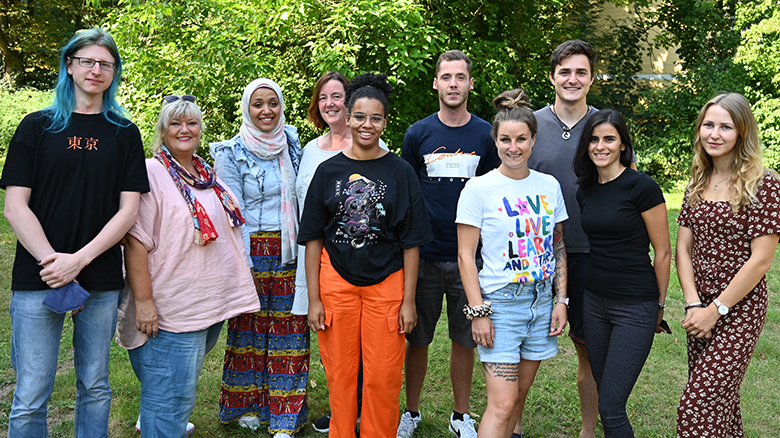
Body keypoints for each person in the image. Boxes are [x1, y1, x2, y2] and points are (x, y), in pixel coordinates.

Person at [0, 28, 149, 437]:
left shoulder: (124, 132)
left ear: (114, 72)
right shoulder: (37, 127)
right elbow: (15, 206)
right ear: (70, 65)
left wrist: (79, 261)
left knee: (95, 386)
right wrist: (55, 263)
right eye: (87, 61)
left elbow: (128, 210)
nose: (96, 70)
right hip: (39, 276)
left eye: (106, 63)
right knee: (30, 393)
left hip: (99, 278)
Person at [116, 95, 261, 438]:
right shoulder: (152, 172)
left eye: (191, 123)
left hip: (206, 304)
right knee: (170, 398)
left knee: (173, 389)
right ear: (162, 131)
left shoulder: (204, 172)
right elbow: (136, 242)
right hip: (171, 307)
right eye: (175, 123)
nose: (185, 129)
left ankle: (158, 420)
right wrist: (145, 303)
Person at [299, 72, 433, 438]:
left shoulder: (401, 171)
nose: (366, 125)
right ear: (348, 116)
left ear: (385, 122)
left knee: (383, 377)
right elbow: (313, 239)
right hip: (336, 283)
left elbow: (411, 242)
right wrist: (314, 299)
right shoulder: (328, 171)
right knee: (341, 376)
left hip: (387, 286)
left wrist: (408, 302)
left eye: (375, 118)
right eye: (359, 116)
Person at [398, 49, 499, 438]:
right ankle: (411, 412)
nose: (453, 84)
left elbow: (493, 190)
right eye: (447, 77)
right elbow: (407, 193)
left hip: (469, 260)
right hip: (423, 256)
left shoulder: (485, 134)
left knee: (465, 338)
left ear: (470, 83)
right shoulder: (418, 134)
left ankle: (461, 415)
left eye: (461, 77)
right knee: (417, 339)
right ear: (436, 83)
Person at [457, 89, 568, 438]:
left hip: (540, 302)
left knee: (517, 398)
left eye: (521, 139)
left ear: (534, 140)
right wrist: (479, 311)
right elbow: (464, 254)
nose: (514, 147)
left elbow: (558, 246)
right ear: (495, 141)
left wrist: (561, 300)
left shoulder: (549, 186)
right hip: (500, 304)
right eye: (506, 139)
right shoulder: (479, 188)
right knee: (502, 404)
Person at [676, 93, 780, 437]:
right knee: (720, 404)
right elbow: (683, 248)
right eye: (708, 125)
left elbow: (761, 260)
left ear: (742, 132)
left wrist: (716, 310)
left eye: (725, 127)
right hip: (700, 309)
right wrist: (694, 304)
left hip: (739, 309)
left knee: (695, 405)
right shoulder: (697, 179)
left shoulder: (765, 183)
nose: (714, 134)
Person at [210, 78, 307, 438]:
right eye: (258, 104)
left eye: (273, 103)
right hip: (248, 250)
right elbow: (232, 211)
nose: (266, 111)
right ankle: (247, 407)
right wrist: (244, 265)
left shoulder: (293, 145)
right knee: (246, 331)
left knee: (289, 331)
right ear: (246, 109)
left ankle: (284, 415)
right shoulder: (230, 152)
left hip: (289, 250)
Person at [295, 71, 388, 434]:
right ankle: (343, 413)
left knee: (372, 349)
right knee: (337, 349)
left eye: (337, 96)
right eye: (323, 98)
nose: (330, 104)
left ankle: (366, 410)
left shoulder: (378, 155)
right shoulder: (310, 152)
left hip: (368, 266)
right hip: (321, 259)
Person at [573, 109, 671, 437]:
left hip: (635, 305)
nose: (601, 146)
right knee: (605, 395)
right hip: (594, 300)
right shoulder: (585, 189)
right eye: (594, 139)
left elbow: (663, 252)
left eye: (609, 139)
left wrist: (658, 307)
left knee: (611, 407)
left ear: (623, 145)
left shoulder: (642, 187)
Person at [526, 39, 601, 438]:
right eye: (565, 71)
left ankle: (589, 432)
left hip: (591, 253)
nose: (572, 79)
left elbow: (624, 186)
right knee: (522, 347)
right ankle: (513, 424)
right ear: (552, 76)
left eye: (581, 72)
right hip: (535, 254)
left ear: (591, 78)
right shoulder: (531, 125)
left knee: (589, 351)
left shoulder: (605, 126)